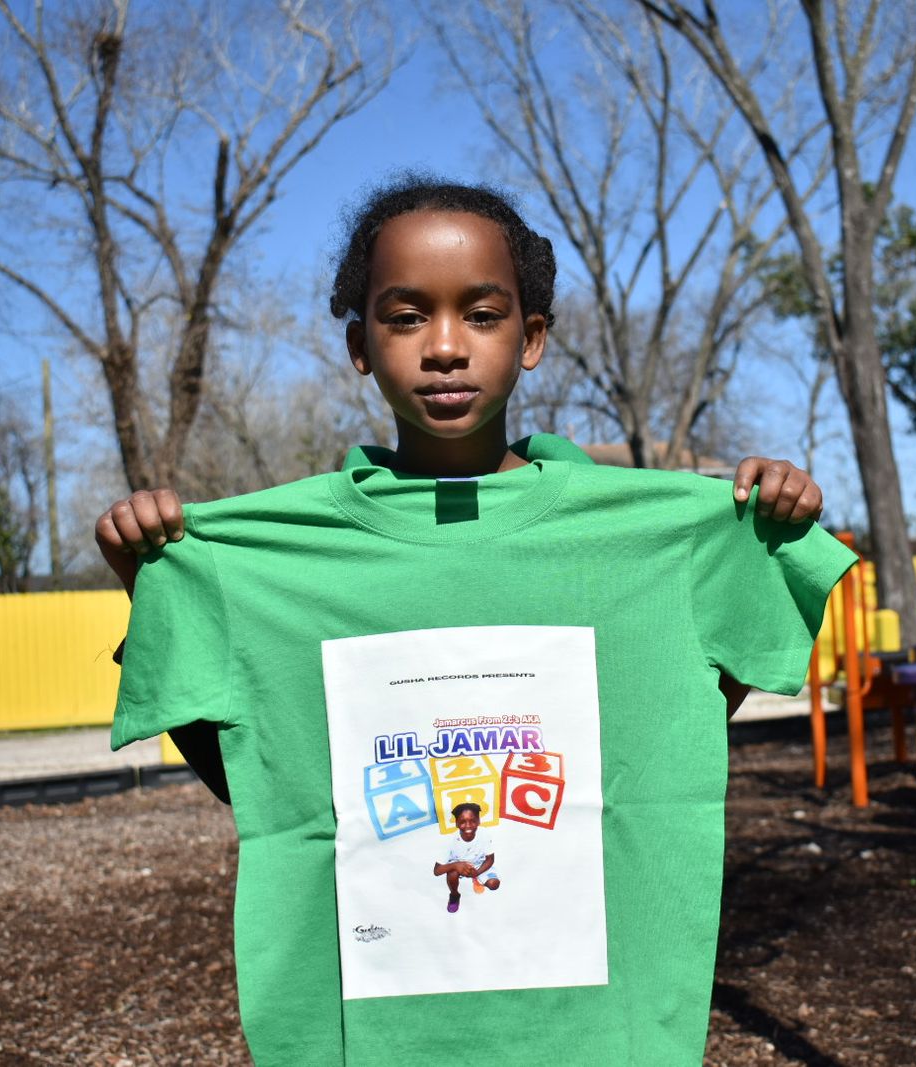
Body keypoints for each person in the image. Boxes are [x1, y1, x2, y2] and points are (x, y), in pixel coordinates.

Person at [104, 175, 856, 1065]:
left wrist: (765, 526)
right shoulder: (275, 562)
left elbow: (665, 737)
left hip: (590, 1040)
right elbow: (268, 789)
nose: (445, 347)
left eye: (483, 314)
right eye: (406, 316)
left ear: (531, 338)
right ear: (359, 345)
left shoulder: (651, 541)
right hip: (377, 1043)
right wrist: (154, 587)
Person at [433, 802, 499, 912]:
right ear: (456, 823)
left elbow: (490, 859)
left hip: (478, 864)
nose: (468, 825)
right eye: (462, 822)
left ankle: (476, 879)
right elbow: (437, 871)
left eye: (472, 821)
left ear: (479, 821)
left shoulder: (485, 834)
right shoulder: (449, 840)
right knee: (452, 873)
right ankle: (454, 895)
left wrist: (476, 873)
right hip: (458, 865)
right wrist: (456, 865)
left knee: (494, 884)